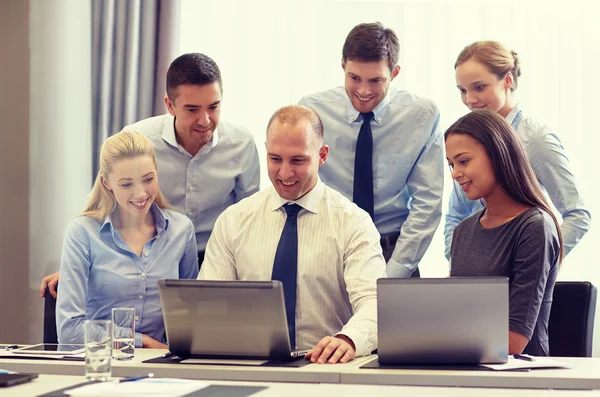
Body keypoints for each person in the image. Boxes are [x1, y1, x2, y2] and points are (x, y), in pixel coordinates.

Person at [41, 53, 260, 297]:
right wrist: (78, 267)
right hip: (154, 259)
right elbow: (101, 202)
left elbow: (248, 219)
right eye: (192, 109)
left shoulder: (242, 143)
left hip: (219, 261)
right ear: (170, 106)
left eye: (213, 107)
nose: (205, 120)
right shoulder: (138, 140)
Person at [199, 105, 386, 364]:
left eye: (298, 160)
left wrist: (348, 339)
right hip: (249, 365)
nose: (285, 173)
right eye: (275, 159)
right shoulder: (234, 221)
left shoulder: (353, 223)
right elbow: (210, 305)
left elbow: (375, 302)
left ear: (322, 155)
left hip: (325, 369)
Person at [299, 22, 443, 278]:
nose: (363, 91)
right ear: (342, 65)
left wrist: (395, 272)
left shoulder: (421, 115)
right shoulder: (313, 111)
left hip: (394, 251)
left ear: (395, 72)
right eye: (354, 78)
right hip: (329, 247)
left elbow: (427, 202)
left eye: (376, 80)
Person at [445, 40, 590, 260]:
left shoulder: (535, 139)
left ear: (508, 80)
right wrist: (460, 264)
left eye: (479, 87)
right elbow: (456, 215)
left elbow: (578, 215)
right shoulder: (468, 138)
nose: (469, 99)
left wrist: (535, 261)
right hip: (477, 280)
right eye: (462, 90)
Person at [56, 131, 199, 348]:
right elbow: (70, 332)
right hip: (98, 365)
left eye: (148, 179)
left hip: (159, 369)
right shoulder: (82, 233)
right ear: (106, 183)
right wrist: (142, 342)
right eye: (126, 184)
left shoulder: (181, 230)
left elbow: (192, 317)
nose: (140, 193)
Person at [446, 109, 562, 356]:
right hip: (466, 367)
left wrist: (441, 339)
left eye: (463, 161)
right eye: (451, 164)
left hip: (518, 376)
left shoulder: (534, 227)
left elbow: (514, 342)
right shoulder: (463, 230)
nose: (455, 173)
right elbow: (451, 311)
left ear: (498, 155)